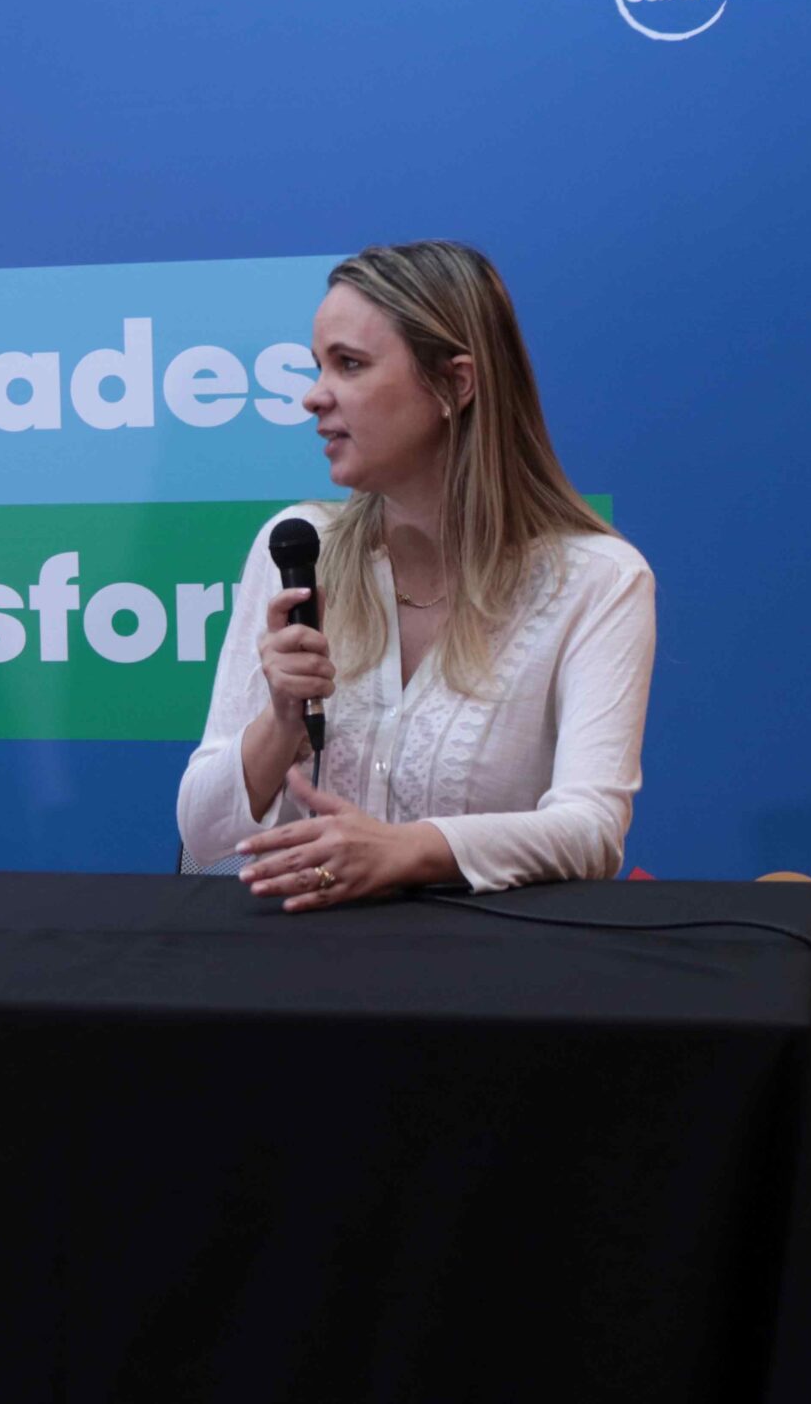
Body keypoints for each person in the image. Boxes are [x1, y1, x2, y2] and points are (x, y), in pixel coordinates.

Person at [177, 241, 655, 908]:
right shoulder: (295, 547)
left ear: (454, 384)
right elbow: (202, 840)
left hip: (480, 986)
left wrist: (408, 849)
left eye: (349, 364)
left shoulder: (597, 579)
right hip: (290, 974)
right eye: (318, 366)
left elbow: (591, 831)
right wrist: (281, 716)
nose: (315, 395)